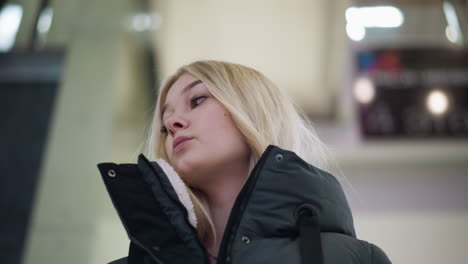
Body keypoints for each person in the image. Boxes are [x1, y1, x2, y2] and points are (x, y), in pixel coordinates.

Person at [97, 60, 391, 264]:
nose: (172, 122)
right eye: (164, 123)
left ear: (252, 110)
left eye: (197, 100)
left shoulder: (353, 259)